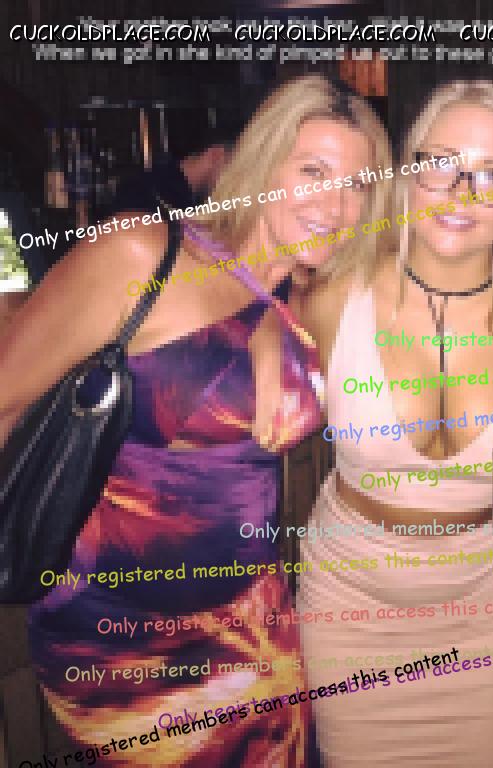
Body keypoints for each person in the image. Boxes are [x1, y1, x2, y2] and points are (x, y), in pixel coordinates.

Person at [0, 74, 389, 766]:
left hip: (254, 623)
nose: (335, 204)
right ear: (261, 162)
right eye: (313, 171)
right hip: (122, 640)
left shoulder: (308, 295)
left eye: (357, 184)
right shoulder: (142, 254)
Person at [294, 80, 493, 767]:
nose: (460, 192)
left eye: (492, 174)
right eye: (441, 163)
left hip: (487, 610)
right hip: (350, 609)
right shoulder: (332, 296)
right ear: (407, 172)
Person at [105, 112, 243, 215]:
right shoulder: (147, 195)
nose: (239, 183)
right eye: (238, 170)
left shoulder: (167, 190)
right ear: (216, 155)